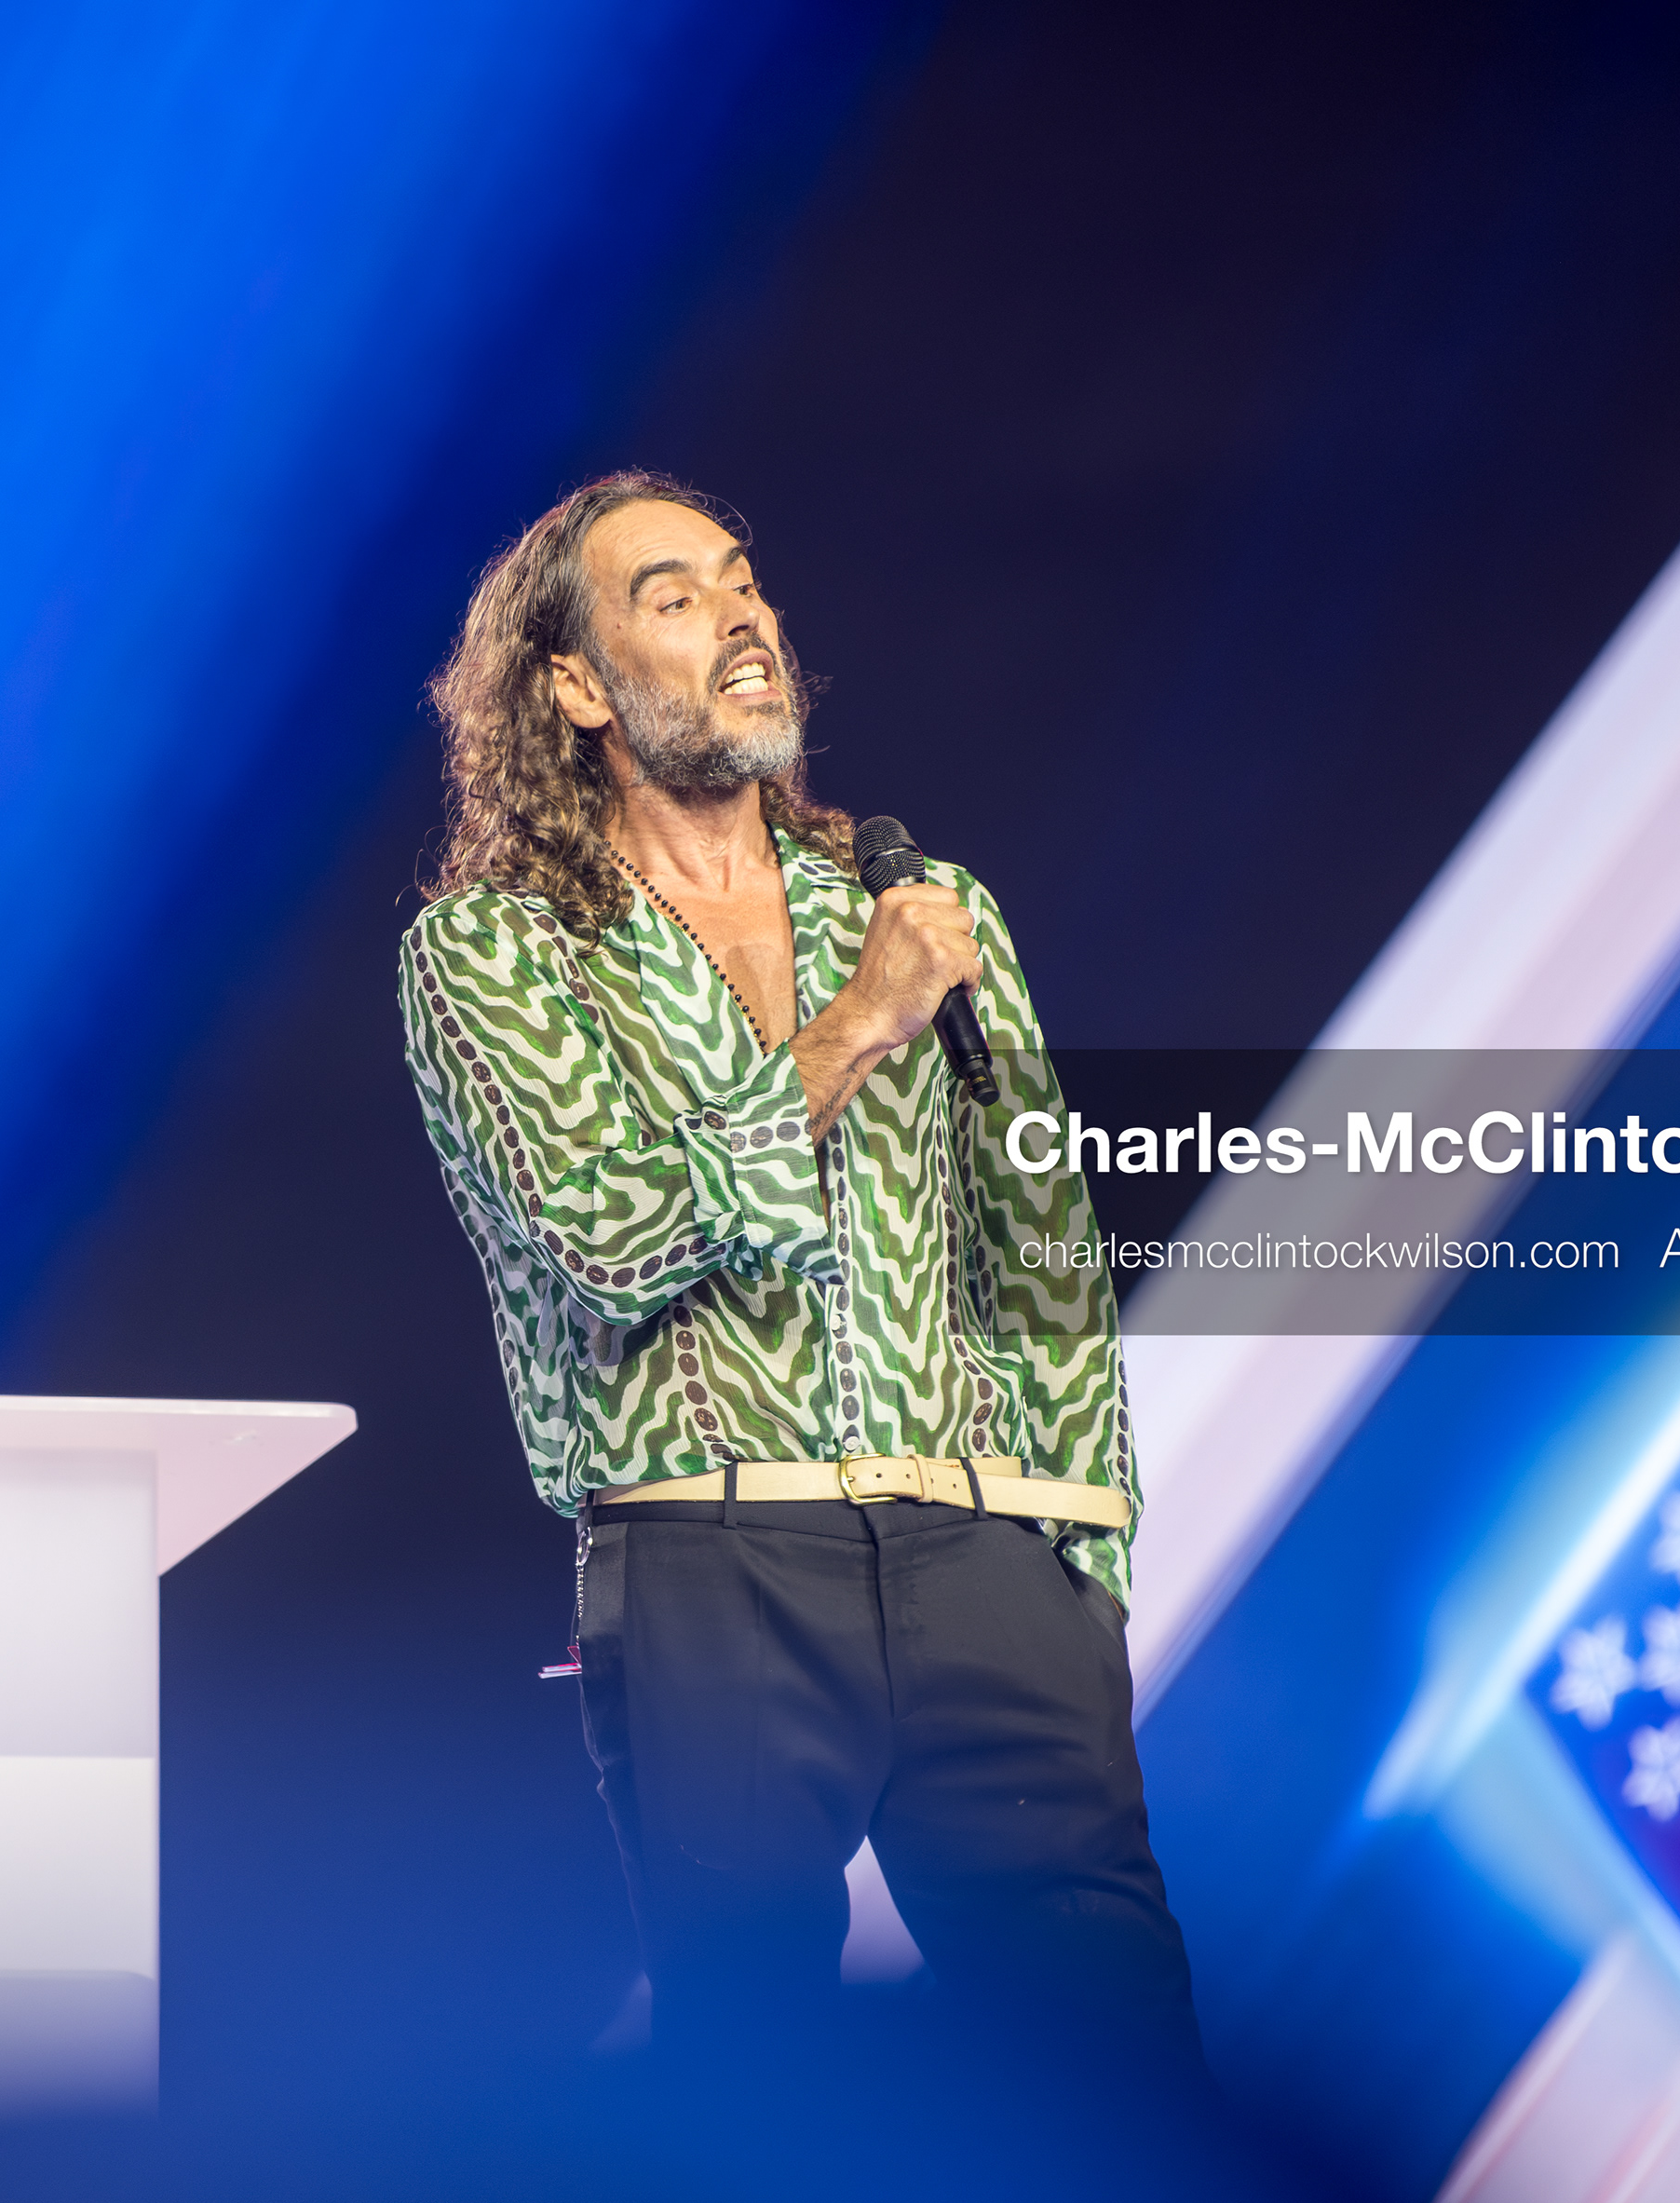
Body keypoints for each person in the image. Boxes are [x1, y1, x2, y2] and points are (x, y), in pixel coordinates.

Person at [396, 470, 1199, 2074]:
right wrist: (855, 1028)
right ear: (575, 685)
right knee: (754, 2073)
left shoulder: (920, 908)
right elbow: (612, 1235)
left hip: (987, 1554)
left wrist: (1078, 1554)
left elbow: (1040, 1252)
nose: (740, 615)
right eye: (674, 596)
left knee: (1120, 2077)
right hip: (715, 1562)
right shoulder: (494, 951)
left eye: (745, 581)